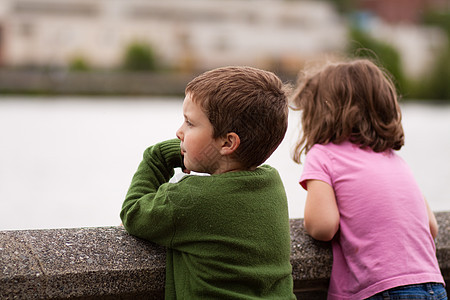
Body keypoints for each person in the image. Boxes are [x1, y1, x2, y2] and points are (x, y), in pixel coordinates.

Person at [120, 66, 296, 299]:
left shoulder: (190, 198)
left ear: (227, 143)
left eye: (190, 123)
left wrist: (158, 157)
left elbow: (133, 213)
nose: (179, 132)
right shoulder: (271, 184)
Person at [290, 59, 447, 300]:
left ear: (319, 112)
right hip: (432, 285)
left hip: (380, 290)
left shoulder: (323, 155)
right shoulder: (394, 159)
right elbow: (432, 227)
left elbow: (322, 226)